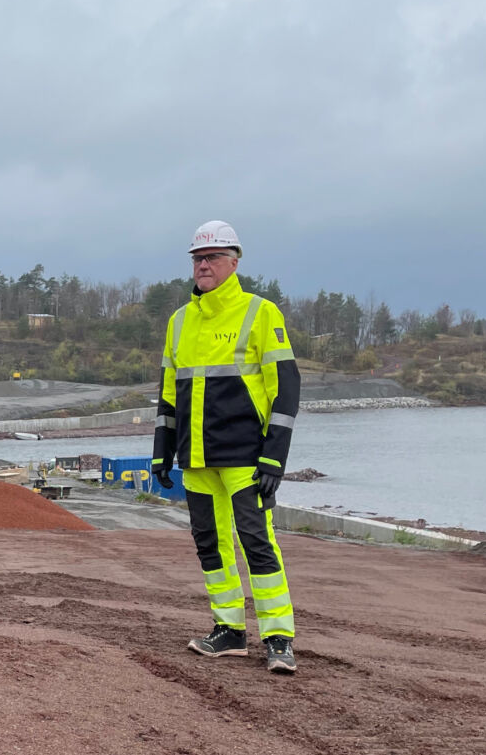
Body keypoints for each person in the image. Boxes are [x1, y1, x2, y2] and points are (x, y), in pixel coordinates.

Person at [151, 220, 300, 674]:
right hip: (195, 458)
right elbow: (169, 395)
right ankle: (230, 631)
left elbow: (286, 387)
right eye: (198, 259)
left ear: (234, 263)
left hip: (245, 458)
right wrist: (162, 451)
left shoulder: (260, 313)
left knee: (257, 542)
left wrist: (274, 455)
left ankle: (278, 638)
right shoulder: (179, 322)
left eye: (212, 258)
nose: (203, 266)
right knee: (210, 544)